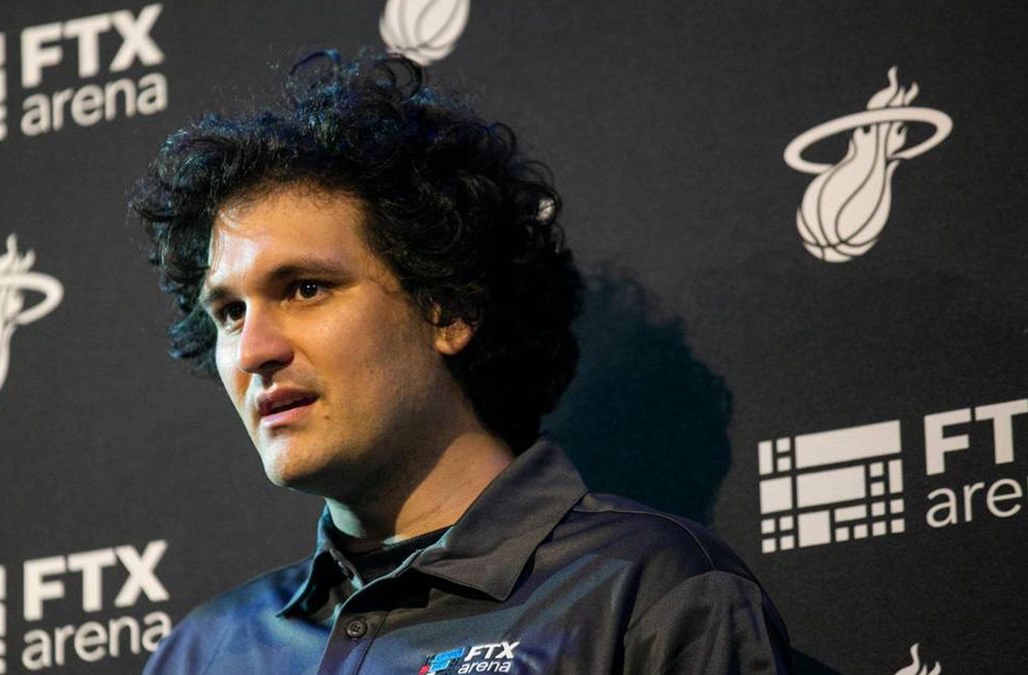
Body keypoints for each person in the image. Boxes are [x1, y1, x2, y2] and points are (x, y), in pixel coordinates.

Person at [131, 51, 792, 674]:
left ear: (449, 310)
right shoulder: (201, 653)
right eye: (229, 313)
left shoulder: (649, 590)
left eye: (305, 288)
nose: (253, 350)